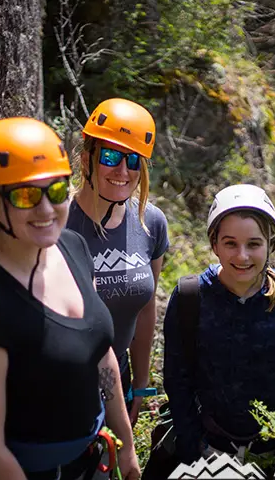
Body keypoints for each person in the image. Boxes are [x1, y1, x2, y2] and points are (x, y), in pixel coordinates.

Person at [0, 117, 141, 480]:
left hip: (94, 459)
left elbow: (102, 355)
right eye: (25, 195)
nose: (46, 210)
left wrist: (128, 449)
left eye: (55, 190)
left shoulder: (74, 247)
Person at [162, 184, 275, 473]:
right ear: (214, 244)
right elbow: (178, 381)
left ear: (270, 245)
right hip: (208, 452)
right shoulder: (191, 297)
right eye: (230, 243)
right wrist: (195, 453)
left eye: (253, 244)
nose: (242, 256)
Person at [67, 98, 170, 426]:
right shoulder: (56, 224)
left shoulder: (151, 223)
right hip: (62, 381)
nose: (122, 171)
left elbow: (146, 309)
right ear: (87, 159)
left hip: (119, 377)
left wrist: (140, 387)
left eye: (133, 161)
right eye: (110, 157)